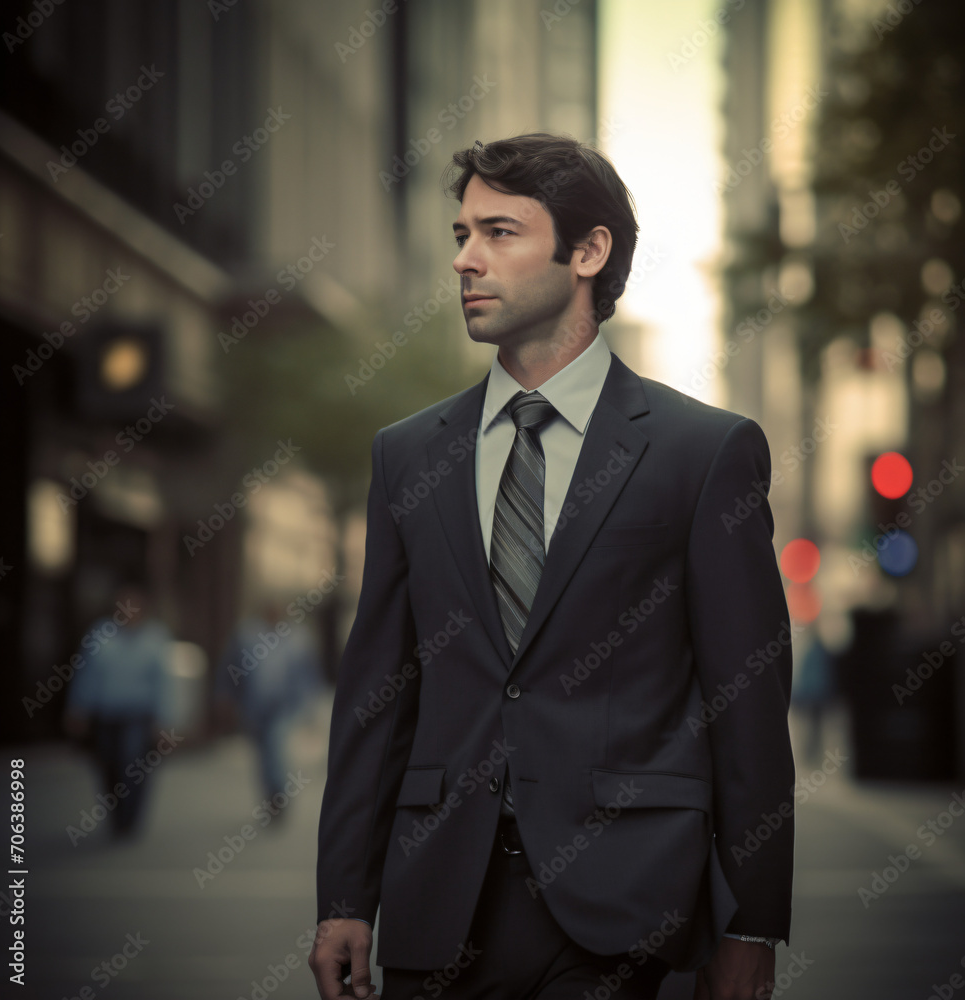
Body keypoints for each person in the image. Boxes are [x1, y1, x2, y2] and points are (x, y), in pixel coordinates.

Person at [309, 133, 794, 1000]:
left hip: (631, 903)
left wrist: (750, 920)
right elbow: (377, 694)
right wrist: (346, 897)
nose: (465, 259)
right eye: (461, 235)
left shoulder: (702, 453)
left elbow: (747, 706)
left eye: (499, 232)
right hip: (438, 903)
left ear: (588, 251)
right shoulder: (408, 456)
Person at [64, 583, 172, 838]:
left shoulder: (155, 637)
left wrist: (165, 720)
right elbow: (86, 673)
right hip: (106, 713)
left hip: (137, 714)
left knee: (132, 764)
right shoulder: (101, 634)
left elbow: (164, 683)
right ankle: (116, 812)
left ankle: (129, 819)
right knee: (107, 765)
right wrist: (77, 708)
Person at [216, 599, 322, 807]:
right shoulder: (247, 635)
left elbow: (309, 675)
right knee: (262, 754)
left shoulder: (298, 639)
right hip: (254, 706)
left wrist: (310, 708)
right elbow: (229, 667)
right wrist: (224, 695)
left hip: (283, 705)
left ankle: (278, 794)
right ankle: (269, 793)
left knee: (276, 747)